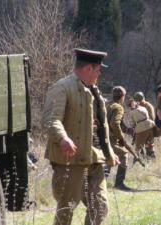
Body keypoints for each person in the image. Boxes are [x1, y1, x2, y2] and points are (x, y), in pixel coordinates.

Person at [42, 48, 119, 225]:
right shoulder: (62, 87)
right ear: (88, 69)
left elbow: (100, 125)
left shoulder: (94, 90)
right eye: (98, 69)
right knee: (66, 211)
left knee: (100, 207)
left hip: (94, 158)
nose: (100, 73)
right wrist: (63, 138)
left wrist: (109, 153)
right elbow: (50, 119)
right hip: (71, 161)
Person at [107, 86, 132, 190]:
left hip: (101, 137)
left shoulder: (107, 105)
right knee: (124, 155)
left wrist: (128, 130)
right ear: (123, 96)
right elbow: (115, 124)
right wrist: (121, 138)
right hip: (111, 138)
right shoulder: (118, 107)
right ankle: (119, 183)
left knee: (107, 158)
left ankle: (101, 183)